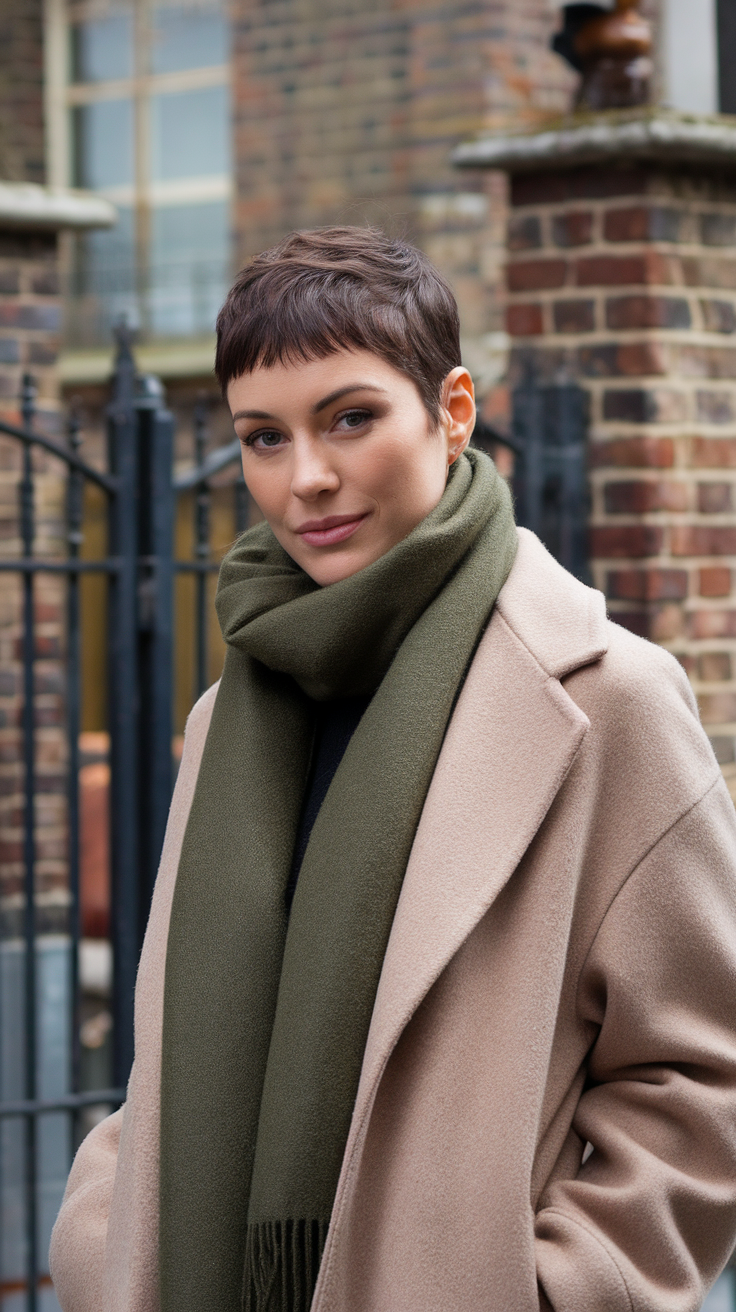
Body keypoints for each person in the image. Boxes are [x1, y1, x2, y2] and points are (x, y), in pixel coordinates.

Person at [50, 226, 736, 1312]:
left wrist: (555, 1289)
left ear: (452, 411)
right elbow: (178, 1045)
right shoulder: (231, 716)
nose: (307, 478)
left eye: (350, 417)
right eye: (262, 438)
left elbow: (698, 1077)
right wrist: (102, 1237)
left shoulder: (608, 701)